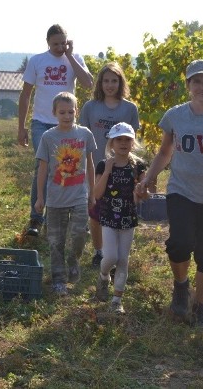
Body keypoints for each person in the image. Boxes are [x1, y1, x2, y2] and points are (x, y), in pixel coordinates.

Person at [137, 59, 203, 329]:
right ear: (188, 85)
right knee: (180, 242)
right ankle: (181, 285)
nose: (202, 86)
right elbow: (164, 152)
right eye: (196, 81)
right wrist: (149, 177)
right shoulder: (175, 116)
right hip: (180, 190)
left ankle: (201, 308)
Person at [19, 24, 93, 237]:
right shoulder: (37, 61)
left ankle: (70, 213)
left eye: (63, 43)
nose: (60, 47)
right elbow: (25, 95)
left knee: (70, 166)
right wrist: (21, 127)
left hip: (67, 123)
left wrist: (70, 57)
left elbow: (88, 83)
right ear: (48, 43)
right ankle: (36, 217)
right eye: (56, 44)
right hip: (41, 122)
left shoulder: (75, 58)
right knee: (42, 165)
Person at [78, 62, 141, 268]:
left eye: (114, 81)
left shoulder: (130, 109)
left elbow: (132, 140)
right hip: (95, 167)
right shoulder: (90, 107)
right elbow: (83, 138)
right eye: (106, 81)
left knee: (118, 211)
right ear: (100, 83)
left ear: (120, 82)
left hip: (121, 171)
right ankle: (99, 251)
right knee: (95, 212)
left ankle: (117, 255)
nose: (110, 85)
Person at [34, 92, 97, 295]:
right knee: (55, 241)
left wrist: (92, 193)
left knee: (79, 234)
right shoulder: (48, 137)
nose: (67, 116)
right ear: (54, 113)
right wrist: (40, 198)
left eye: (71, 112)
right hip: (55, 199)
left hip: (79, 196)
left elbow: (90, 164)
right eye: (62, 112)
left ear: (76, 111)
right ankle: (59, 279)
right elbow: (42, 170)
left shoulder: (85, 134)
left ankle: (74, 259)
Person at [93, 122, 148, 314]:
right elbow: (97, 194)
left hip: (128, 218)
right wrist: (107, 171)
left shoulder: (138, 166)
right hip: (108, 217)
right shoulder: (103, 164)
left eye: (127, 139)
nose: (123, 143)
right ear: (111, 143)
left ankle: (117, 300)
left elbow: (146, 194)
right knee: (110, 257)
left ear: (133, 142)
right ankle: (103, 275)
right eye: (119, 139)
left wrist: (142, 190)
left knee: (123, 259)